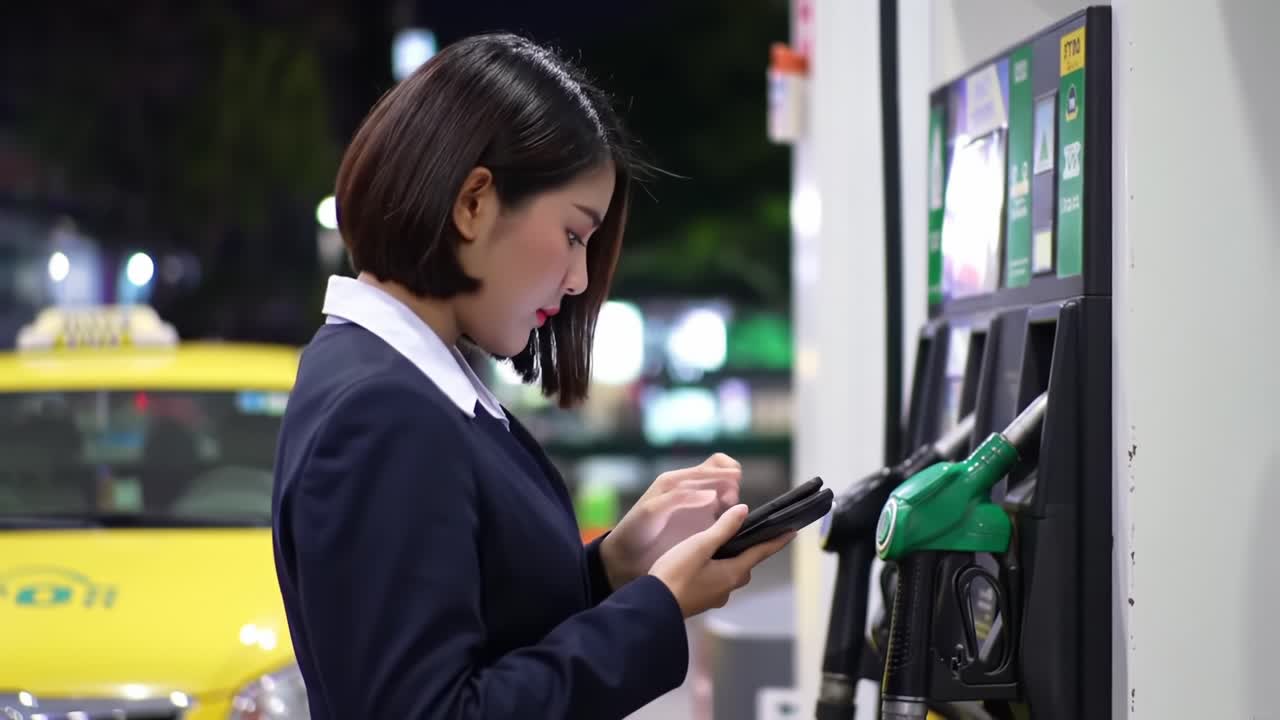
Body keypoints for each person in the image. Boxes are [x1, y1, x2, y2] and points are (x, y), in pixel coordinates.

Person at [270, 32, 794, 720]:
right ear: (474, 203)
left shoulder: (396, 379)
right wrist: (655, 611)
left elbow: (480, 619)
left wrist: (614, 566)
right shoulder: (385, 410)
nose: (579, 280)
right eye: (575, 234)